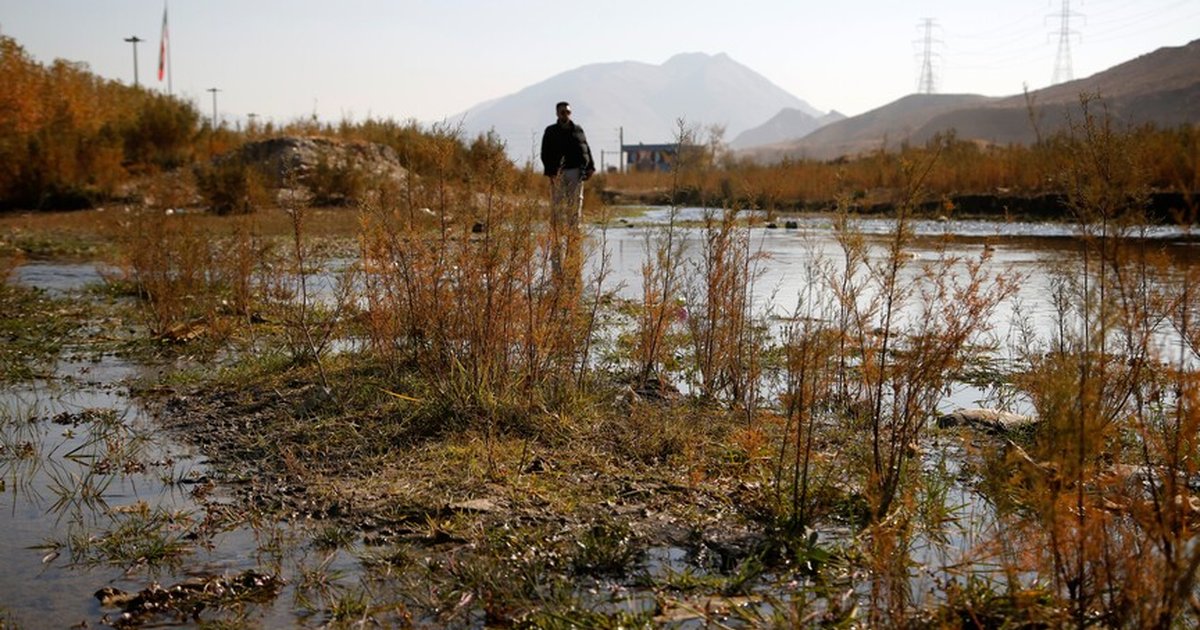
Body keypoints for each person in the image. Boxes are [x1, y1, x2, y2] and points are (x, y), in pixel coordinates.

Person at [540, 101, 595, 288]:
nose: (565, 114)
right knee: (557, 207)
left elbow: (586, 147)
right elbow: (545, 152)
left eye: (568, 112)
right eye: (563, 112)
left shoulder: (577, 130)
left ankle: (573, 238)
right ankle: (556, 236)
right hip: (558, 173)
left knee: (575, 206)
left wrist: (590, 166)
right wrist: (550, 172)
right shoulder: (551, 131)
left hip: (576, 173)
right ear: (557, 113)